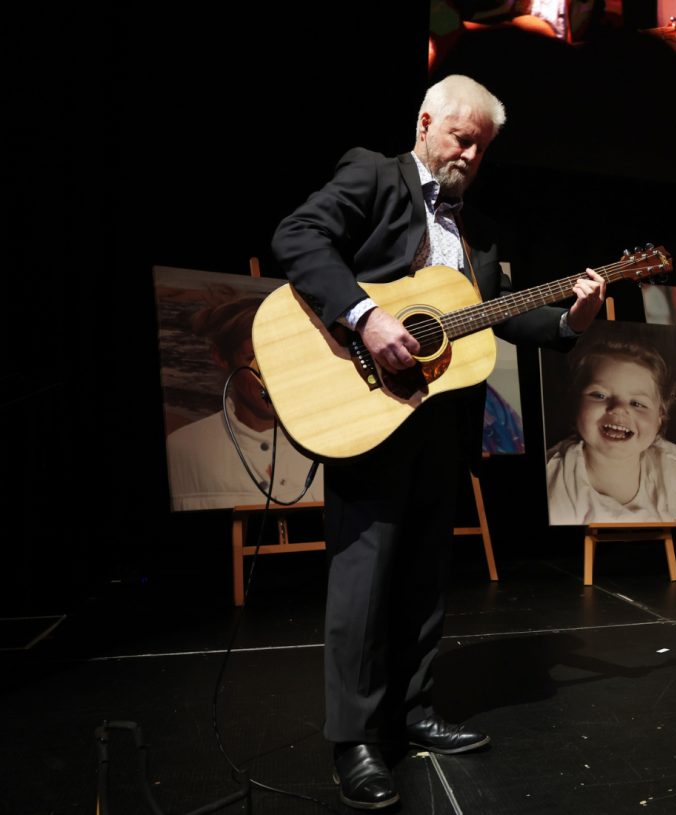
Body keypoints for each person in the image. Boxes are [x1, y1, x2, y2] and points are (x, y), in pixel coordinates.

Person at [271, 74, 606, 809]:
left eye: (482, 147)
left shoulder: (477, 232)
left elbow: (492, 317)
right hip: (365, 407)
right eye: (462, 137)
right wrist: (365, 315)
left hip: (440, 418)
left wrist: (571, 321)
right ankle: (355, 738)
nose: (470, 154)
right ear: (426, 122)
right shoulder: (373, 173)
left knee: (425, 570)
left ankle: (413, 711)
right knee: (364, 575)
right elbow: (297, 236)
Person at [166, 292, 324, 510]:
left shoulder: (327, 442)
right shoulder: (182, 449)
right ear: (221, 358)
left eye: (278, 357)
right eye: (253, 358)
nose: (270, 375)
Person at [545, 337, 676, 524]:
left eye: (637, 403)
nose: (619, 408)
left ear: (660, 417)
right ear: (576, 403)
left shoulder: (673, 472)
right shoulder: (558, 477)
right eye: (599, 395)